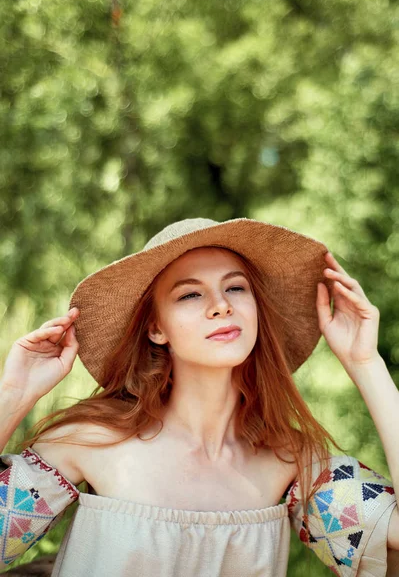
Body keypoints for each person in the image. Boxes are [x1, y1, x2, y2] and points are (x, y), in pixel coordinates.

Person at [0, 216, 398, 576]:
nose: (221, 306)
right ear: (157, 328)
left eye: (236, 287)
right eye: (191, 295)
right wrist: (13, 394)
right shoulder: (90, 441)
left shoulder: (291, 462)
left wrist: (365, 363)